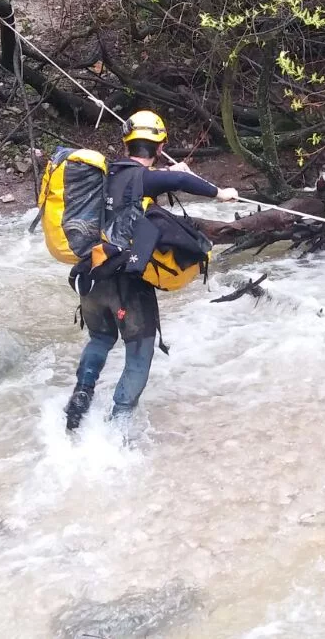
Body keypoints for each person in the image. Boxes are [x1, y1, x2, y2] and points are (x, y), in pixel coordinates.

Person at [64, 110, 240, 431]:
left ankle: (81, 395)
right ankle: (119, 428)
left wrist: (168, 171)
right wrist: (220, 193)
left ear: (127, 144)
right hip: (127, 284)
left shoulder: (107, 175)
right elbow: (182, 181)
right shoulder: (143, 179)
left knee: (101, 339)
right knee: (139, 352)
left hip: (93, 275)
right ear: (160, 147)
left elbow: (146, 186)